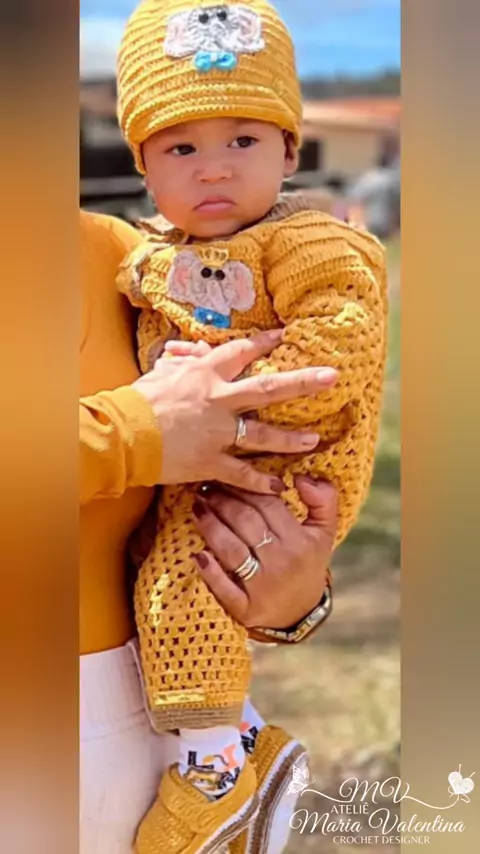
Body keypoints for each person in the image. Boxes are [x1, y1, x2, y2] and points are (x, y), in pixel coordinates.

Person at [113, 1, 388, 852]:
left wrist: (215, 410)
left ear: (290, 152)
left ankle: (215, 766)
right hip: (197, 473)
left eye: (243, 140)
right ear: (142, 163)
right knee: (166, 589)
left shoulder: (307, 242)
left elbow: (340, 345)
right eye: (180, 149)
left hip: (281, 469)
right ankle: (237, 742)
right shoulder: (145, 256)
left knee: (185, 588)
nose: (215, 170)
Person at [80, 208, 341, 854]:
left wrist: (290, 592)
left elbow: (211, 464)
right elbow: (149, 429)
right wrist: (127, 436)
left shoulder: (123, 256)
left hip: (144, 734)